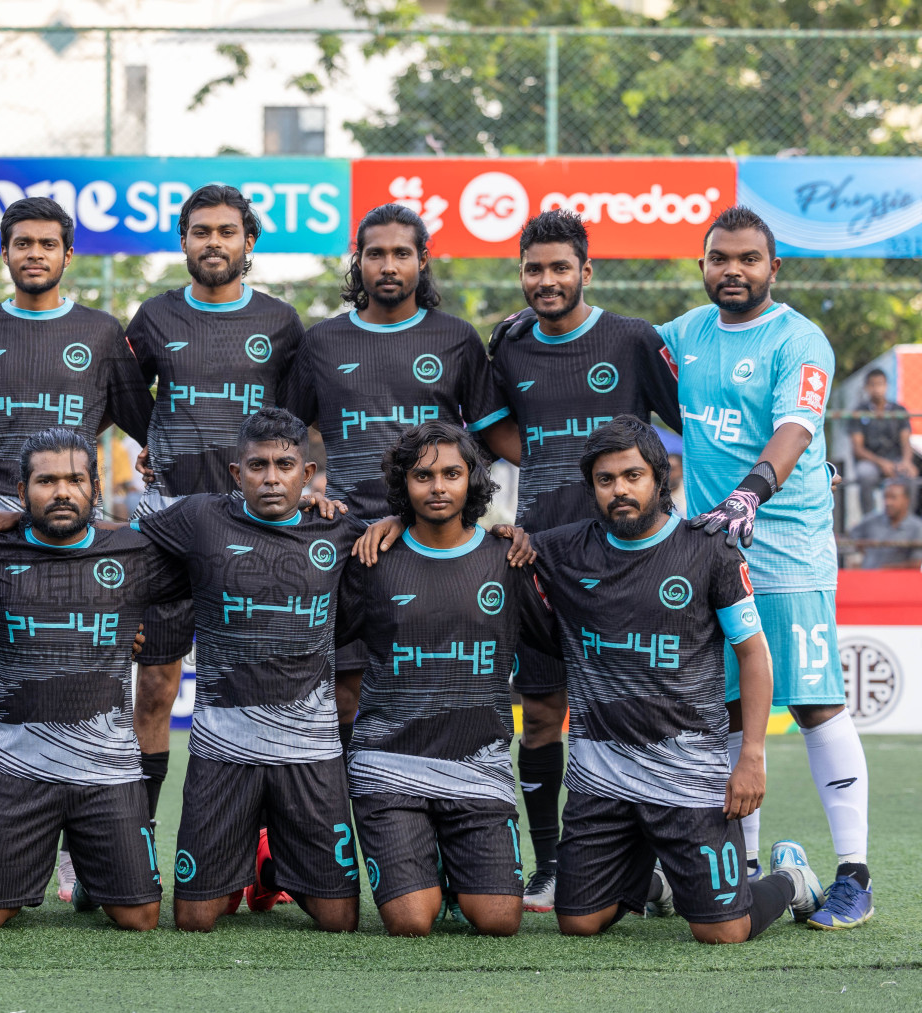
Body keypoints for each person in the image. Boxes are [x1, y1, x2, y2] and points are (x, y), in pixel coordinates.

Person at [528, 415, 823, 943]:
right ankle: (660, 885)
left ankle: (792, 879)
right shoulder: (558, 552)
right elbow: (478, 553)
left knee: (724, 932)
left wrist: (751, 756)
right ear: (591, 487)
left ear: (660, 478)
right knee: (578, 923)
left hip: (689, 777)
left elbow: (754, 655)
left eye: (632, 476)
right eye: (605, 479)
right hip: (602, 779)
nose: (620, 490)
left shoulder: (709, 548)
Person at [661, 206, 873, 930]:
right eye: (721, 258)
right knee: (724, 711)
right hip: (713, 552)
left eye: (749, 259)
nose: (734, 270)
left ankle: (855, 876)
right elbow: (616, 368)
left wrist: (756, 489)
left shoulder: (798, 338)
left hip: (788, 547)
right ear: (703, 265)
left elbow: (796, 427)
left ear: (772, 268)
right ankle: (745, 872)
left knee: (812, 704)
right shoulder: (684, 335)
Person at [483, 209, 682, 912]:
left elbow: (692, 425)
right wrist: (550, 462)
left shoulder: (632, 339)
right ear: (521, 275)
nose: (546, 280)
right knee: (541, 716)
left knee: (633, 713)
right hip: (539, 562)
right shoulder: (507, 348)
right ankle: (548, 867)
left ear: (585, 271)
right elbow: (495, 430)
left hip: (630, 564)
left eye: (560, 267)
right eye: (534, 269)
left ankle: (654, 867)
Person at [0, 196, 152, 887]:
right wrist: (2, 508)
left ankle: (91, 849)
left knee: (88, 687)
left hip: (75, 530)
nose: (34, 254)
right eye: (21, 243)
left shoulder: (100, 331)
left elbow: (140, 421)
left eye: (47, 244)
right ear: (4, 253)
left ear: (68, 255)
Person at [285, 202, 514, 753]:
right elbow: (284, 438)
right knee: (345, 690)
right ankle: (355, 831)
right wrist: (308, 494)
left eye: (401, 254)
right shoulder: (321, 343)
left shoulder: (456, 338)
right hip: (345, 538)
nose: (389, 265)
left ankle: (424, 813)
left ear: (422, 261)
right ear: (357, 261)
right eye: (376, 254)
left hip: (430, 540)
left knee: (428, 685)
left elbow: (488, 442)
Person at [130, 408, 364, 932]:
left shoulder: (342, 527)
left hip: (311, 753)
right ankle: (252, 857)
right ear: (237, 474)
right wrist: (21, 518)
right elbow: (113, 547)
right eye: (257, 465)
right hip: (221, 751)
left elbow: (409, 543)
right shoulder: (199, 517)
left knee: (340, 921)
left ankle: (268, 861)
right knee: (195, 920)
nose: (272, 478)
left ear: (307, 475)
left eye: (286, 465)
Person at [123, 184, 305, 862]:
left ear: (249, 241)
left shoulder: (282, 323)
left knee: (258, 690)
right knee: (157, 689)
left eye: (227, 231)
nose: (214, 242)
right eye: (200, 231)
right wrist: (156, 443)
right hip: (170, 523)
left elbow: (294, 422)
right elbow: (121, 394)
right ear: (184, 241)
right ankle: (131, 843)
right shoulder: (154, 316)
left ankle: (268, 853)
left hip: (255, 530)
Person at [0, 428, 185, 932]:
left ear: (95, 487)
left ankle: (94, 872)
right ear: (21, 492)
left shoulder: (136, 552)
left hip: (108, 773)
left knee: (141, 918)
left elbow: (224, 542)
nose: (62, 491)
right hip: (21, 771)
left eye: (75, 480)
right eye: (46, 481)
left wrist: (310, 504)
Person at [337, 421, 554, 938]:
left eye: (452, 474)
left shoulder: (507, 558)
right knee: (412, 921)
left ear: (472, 479)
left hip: (477, 765)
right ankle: (426, 862)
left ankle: (458, 871)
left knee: (500, 921)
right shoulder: (374, 558)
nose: (438, 487)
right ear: (403, 484)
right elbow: (320, 631)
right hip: (389, 762)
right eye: (422, 475)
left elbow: (558, 639)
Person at [848, 368, 915, 515]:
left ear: (886, 385)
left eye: (880, 384)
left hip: (896, 460)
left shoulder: (899, 410)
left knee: (910, 475)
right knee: (864, 474)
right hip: (871, 462)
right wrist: (881, 463)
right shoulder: (859, 411)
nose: (877, 389)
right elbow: (858, 449)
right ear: (866, 387)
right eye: (873, 384)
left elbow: (906, 441)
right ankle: (869, 522)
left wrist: (906, 461)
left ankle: (907, 523)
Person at [848, 480, 922, 569]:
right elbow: (851, 537)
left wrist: (887, 569)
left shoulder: (917, 527)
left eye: (893, 498)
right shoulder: (871, 521)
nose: (888, 502)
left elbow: (917, 563)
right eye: (885, 497)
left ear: (906, 500)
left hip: (900, 580)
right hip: (867, 577)